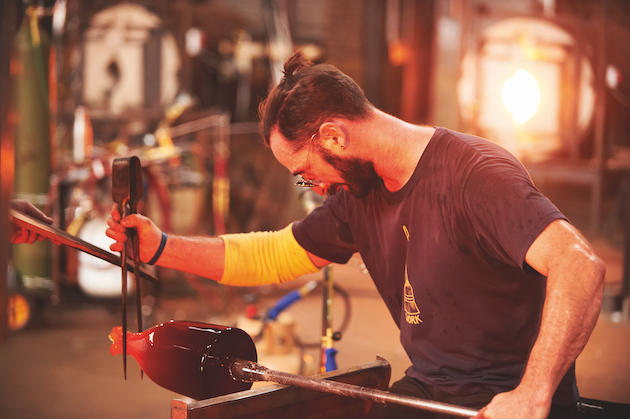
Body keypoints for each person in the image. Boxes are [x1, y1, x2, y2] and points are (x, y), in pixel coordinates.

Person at [106, 52, 605, 419]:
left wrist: (534, 392)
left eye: (306, 171)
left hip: (509, 402)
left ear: (335, 137)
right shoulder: (358, 197)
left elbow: (579, 265)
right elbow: (274, 254)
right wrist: (162, 248)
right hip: (430, 393)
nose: (312, 185)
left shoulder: (474, 175)